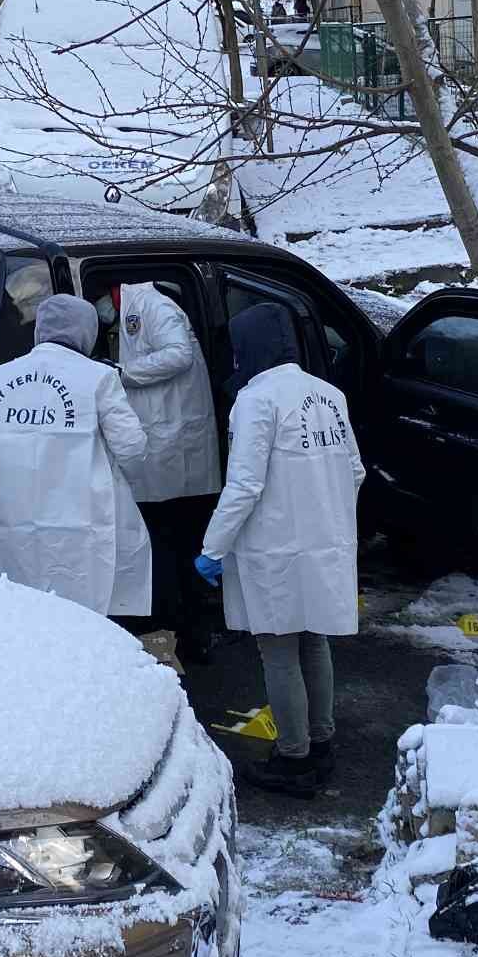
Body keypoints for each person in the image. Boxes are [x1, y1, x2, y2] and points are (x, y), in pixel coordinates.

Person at [197, 303, 364, 798]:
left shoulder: (257, 401)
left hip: (275, 549)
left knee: (278, 650)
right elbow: (354, 470)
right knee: (314, 641)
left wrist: (213, 547)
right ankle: (321, 742)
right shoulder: (329, 395)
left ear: (251, 348)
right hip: (324, 544)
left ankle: (294, 759)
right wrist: (324, 512)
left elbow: (245, 484)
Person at [0, 293, 151, 617]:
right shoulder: (98, 377)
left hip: (3, 524)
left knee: (13, 615)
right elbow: (132, 447)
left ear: (39, 329)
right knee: (80, 614)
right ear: (88, 333)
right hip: (79, 523)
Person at [95, 283, 222, 654]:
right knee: (178, 554)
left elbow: (178, 355)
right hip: (170, 456)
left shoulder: (150, 306)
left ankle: (168, 648)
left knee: (164, 556)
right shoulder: (141, 307)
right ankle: (191, 641)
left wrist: (122, 372)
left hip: (169, 456)